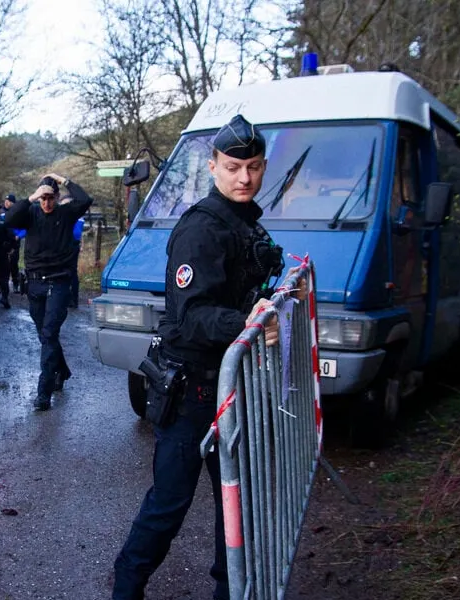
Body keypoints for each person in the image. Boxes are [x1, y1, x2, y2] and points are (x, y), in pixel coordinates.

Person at [112, 114, 281, 600]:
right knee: (169, 503)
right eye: (232, 167)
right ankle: (126, 589)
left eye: (251, 166)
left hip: (228, 388)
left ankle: (230, 590)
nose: (243, 177)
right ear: (212, 167)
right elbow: (194, 317)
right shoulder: (202, 229)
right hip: (190, 391)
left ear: (263, 166)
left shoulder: (245, 222)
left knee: (237, 502)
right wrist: (253, 321)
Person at [4, 172, 92, 411]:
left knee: (50, 333)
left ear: (56, 197)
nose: (46, 203)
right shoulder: (30, 214)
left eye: (50, 198)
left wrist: (62, 180)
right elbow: (9, 219)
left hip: (58, 283)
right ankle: (61, 370)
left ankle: (44, 392)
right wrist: (32, 196)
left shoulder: (65, 214)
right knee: (45, 334)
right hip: (34, 284)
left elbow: (85, 200)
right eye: (43, 198)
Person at [3, 194, 26, 294]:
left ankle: (15, 284)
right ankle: (1, 286)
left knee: (13, 265)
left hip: (15, 242)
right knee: (3, 265)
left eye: (8, 201)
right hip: (4, 243)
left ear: (13, 203)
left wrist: (19, 236)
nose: (6, 203)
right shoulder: (2, 215)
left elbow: (25, 229)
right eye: (5, 201)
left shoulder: (19, 215)